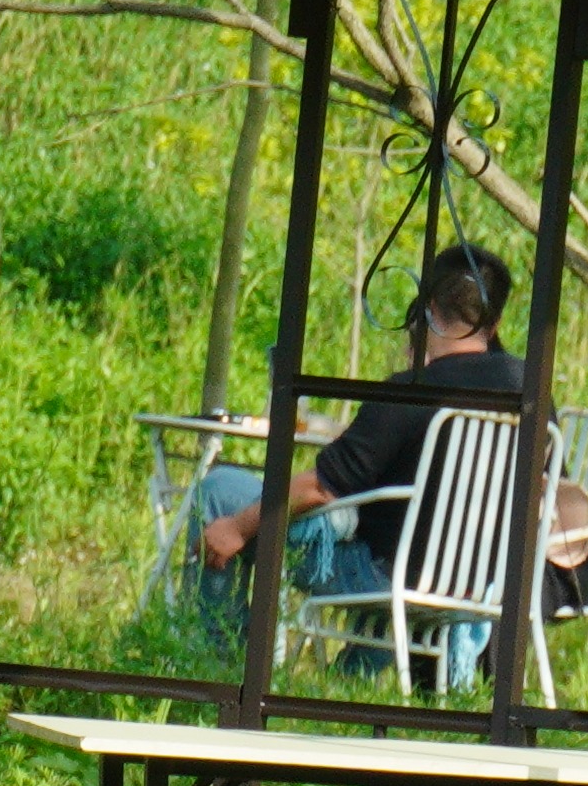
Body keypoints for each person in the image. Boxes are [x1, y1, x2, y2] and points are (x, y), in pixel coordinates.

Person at [196, 243, 530, 678]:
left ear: (427, 311)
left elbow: (321, 488)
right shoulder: (526, 388)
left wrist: (237, 528)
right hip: (476, 583)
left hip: (383, 577)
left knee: (221, 492)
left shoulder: (412, 390)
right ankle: (353, 677)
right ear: (497, 322)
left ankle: (220, 665)